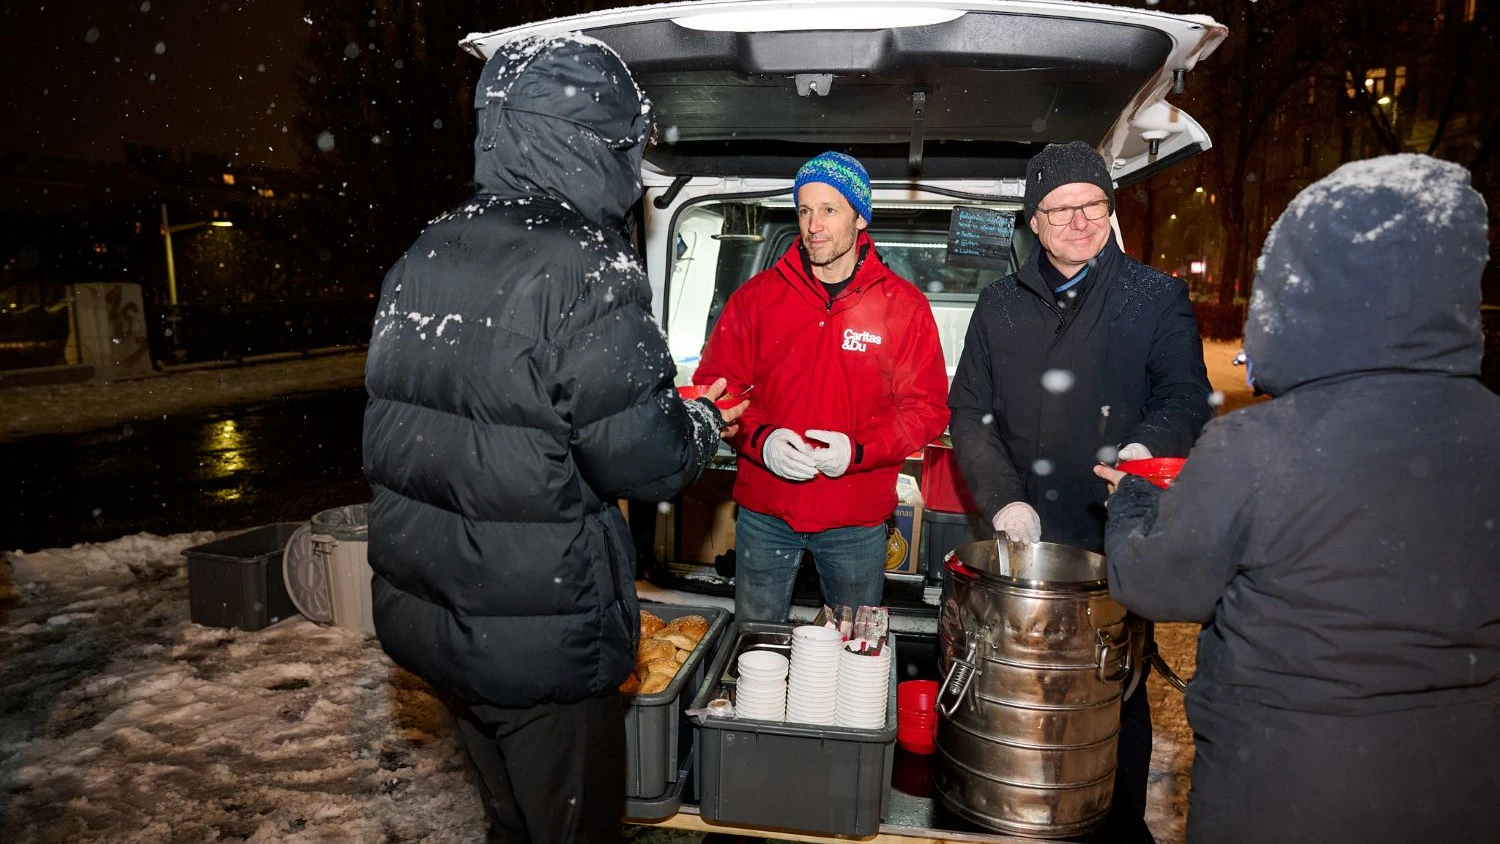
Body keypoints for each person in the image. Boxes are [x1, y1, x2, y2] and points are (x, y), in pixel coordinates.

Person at [362, 35, 744, 844]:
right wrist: (701, 422)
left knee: (511, 821)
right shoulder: (585, 265)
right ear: (593, 147)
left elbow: (482, 416)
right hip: (538, 635)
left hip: (441, 623)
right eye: (626, 150)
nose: (633, 172)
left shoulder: (426, 250)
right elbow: (646, 459)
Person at [1095, 155, 1500, 844]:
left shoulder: (1261, 444)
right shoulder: (1489, 428)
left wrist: (1134, 495)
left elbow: (1157, 582)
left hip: (1289, 784)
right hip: (1463, 779)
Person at [948, 140, 1214, 842]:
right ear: (1033, 221)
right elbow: (969, 413)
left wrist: (1144, 452)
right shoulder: (999, 305)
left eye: (1092, 204)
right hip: (1020, 547)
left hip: (1113, 539)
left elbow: (1186, 397)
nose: (1078, 220)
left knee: (1112, 694)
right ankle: (1011, 813)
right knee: (1012, 686)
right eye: (1060, 208)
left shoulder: (1154, 298)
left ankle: (1112, 824)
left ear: (1109, 208)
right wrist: (1003, 498)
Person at [693, 151, 950, 623]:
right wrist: (761, 439)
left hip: (855, 517)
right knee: (755, 645)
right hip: (766, 512)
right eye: (805, 210)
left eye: (830, 210)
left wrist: (856, 451)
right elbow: (716, 391)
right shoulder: (756, 299)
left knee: (853, 654)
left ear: (860, 216)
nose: (814, 225)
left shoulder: (903, 307)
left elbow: (925, 410)